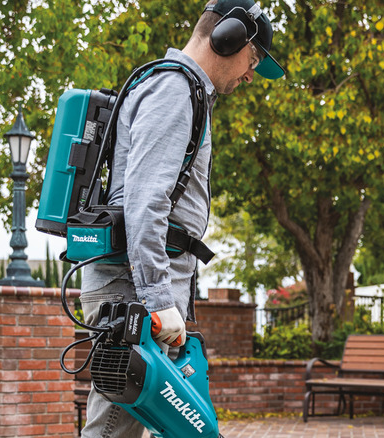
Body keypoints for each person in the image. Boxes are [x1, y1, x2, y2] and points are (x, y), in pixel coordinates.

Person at [79, 1, 284, 436]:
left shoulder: (181, 90)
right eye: (252, 60)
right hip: (134, 292)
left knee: (143, 423)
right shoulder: (175, 90)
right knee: (112, 429)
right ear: (227, 38)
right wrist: (157, 299)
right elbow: (145, 202)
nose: (250, 75)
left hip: (137, 287)